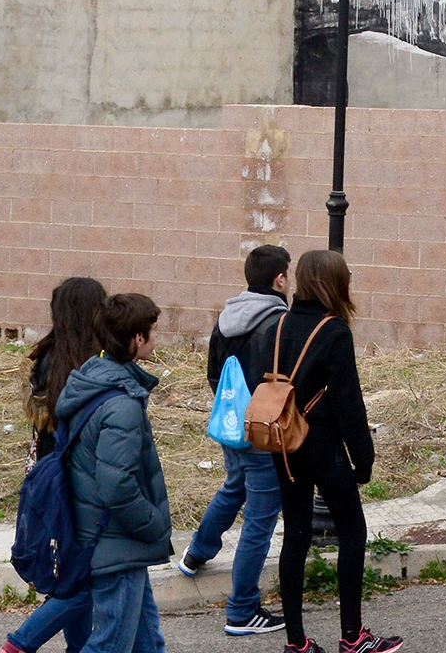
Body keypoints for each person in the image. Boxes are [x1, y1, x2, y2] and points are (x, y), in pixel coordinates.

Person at [261, 250, 402, 653]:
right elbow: (348, 404)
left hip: (283, 444)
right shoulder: (334, 331)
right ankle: (353, 636)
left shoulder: (277, 324)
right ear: (335, 283)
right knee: (353, 532)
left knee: (296, 537)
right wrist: (364, 460)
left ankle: (296, 643)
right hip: (322, 445)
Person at [175, 245, 291, 635]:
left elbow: (214, 375)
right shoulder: (279, 322)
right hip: (263, 432)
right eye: (286, 275)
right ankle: (242, 611)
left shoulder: (225, 320)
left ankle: (195, 555)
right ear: (279, 279)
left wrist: (235, 416)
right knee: (259, 521)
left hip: (230, 426)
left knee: (233, 488)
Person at [57, 292, 172, 653]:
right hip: (117, 542)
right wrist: (153, 524)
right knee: (109, 646)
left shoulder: (93, 379)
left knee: (147, 643)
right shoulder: (121, 404)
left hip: (109, 539)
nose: (156, 339)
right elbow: (117, 484)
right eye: (152, 331)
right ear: (137, 339)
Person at [0, 276, 106, 653]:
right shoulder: (90, 366)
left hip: (46, 479)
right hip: (79, 485)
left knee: (74, 579)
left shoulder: (44, 358)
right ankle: (20, 644)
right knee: (83, 584)